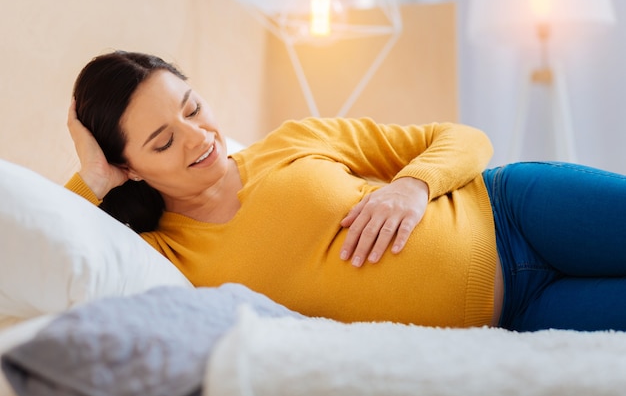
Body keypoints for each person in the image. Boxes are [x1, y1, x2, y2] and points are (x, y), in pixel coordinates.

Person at [66, 50, 626, 333]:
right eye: (164, 142)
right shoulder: (166, 254)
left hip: (514, 210)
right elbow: (66, 246)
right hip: (521, 313)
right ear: (128, 167)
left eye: (193, 108)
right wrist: (91, 172)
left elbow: (464, 138)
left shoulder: (291, 141)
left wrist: (411, 185)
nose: (198, 137)